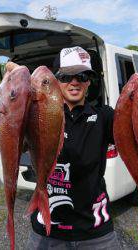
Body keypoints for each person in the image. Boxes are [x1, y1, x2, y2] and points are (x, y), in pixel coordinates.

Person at [26, 46, 122, 250]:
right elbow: (12, 139)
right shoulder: (37, 114)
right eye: (66, 76)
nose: (75, 81)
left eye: (83, 75)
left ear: (89, 82)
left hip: (96, 230)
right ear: (54, 80)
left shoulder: (104, 116)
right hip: (48, 229)